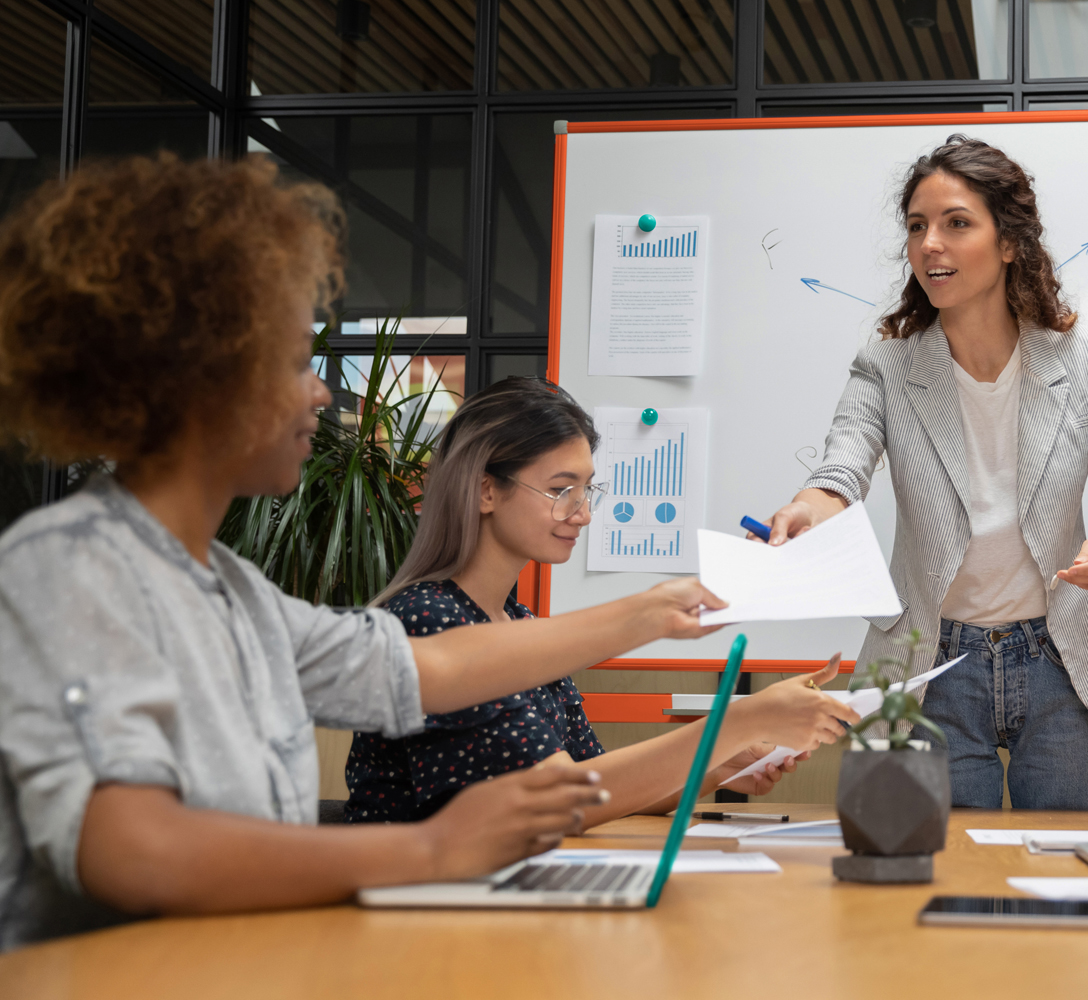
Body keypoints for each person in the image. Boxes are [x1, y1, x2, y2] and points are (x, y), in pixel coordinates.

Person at [0, 154, 824, 950]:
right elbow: (134, 852)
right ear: (200, 377)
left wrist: (650, 612)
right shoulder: (72, 565)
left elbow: (419, 670)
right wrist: (431, 851)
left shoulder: (232, 592)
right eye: (295, 362)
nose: (322, 391)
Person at [759, 135, 1088, 810]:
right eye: (916, 227)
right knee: (925, 894)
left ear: (1009, 243)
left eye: (956, 223)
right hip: (926, 663)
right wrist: (809, 508)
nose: (929, 245)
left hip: (1058, 658)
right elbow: (842, 466)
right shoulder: (886, 364)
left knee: (1068, 898)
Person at [346, 378, 859, 826]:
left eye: (588, 490)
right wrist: (735, 724)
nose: (584, 514)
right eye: (561, 490)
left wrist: (722, 762)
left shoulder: (522, 623)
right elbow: (566, 799)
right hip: (412, 913)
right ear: (486, 491)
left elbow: (600, 782)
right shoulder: (428, 619)